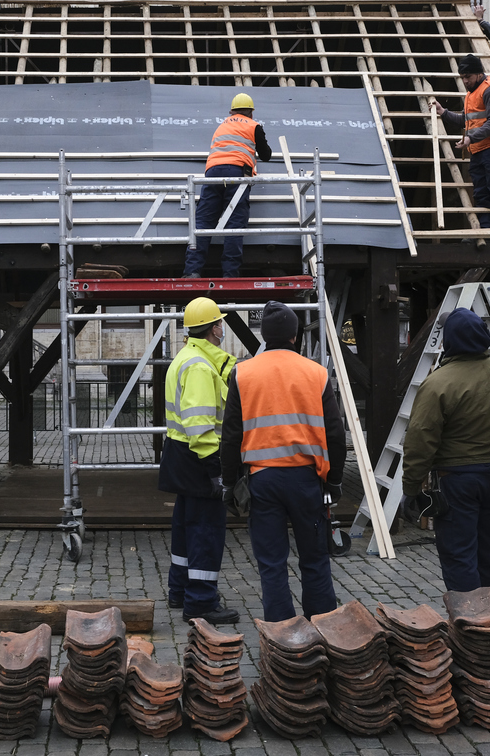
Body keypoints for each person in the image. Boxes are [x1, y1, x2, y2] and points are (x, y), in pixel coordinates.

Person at [220, 301, 346, 622]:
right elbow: (334, 433)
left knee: (272, 564)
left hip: (263, 483)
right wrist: (333, 482)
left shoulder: (243, 373)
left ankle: (283, 635)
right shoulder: (315, 373)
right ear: (294, 335)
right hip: (306, 481)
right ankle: (324, 627)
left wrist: (228, 481)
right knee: (315, 559)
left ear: (264, 336)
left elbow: (232, 435)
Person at [401, 308, 490, 593]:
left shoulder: (438, 383)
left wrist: (412, 486)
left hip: (457, 479)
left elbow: (421, 439)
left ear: (449, 340)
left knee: (459, 557)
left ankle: (470, 627)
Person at [159, 297, 240, 625]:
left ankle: (179, 590)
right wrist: (216, 469)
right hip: (200, 458)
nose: (222, 328)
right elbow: (200, 424)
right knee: (206, 531)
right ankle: (202, 602)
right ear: (214, 329)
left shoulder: (186, 358)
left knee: (184, 528)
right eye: (220, 323)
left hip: (181, 457)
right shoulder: (199, 367)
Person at [183, 92, 273, 279]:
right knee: (234, 224)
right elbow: (266, 155)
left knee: (203, 223)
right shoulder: (254, 126)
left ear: (232, 111)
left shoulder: (221, 126)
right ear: (250, 112)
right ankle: (230, 274)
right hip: (237, 174)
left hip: (213, 173)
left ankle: (192, 271)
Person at [433, 55, 490, 228]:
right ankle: (484, 229)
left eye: (468, 77)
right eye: (462, 77)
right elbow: (466, 120)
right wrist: (443, 112)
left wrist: (470, 138)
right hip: (479, 149)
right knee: (481, 193)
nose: (465, 81)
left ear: (479, 73)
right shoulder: (472, 94)